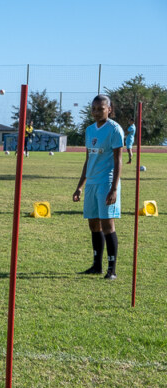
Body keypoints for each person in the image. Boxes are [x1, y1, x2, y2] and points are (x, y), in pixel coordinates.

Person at [72, 94, 124, 281]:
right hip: (92, 183)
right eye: (93, 109)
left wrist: (114, 188)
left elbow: (118, 161)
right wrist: (80, 187)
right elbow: (88, 160)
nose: (96, 112)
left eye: (100, 109)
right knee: (93, 224)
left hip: (106, 182)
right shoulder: (89, 130)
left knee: (107, 225)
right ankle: (97, 266)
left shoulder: (115, 129)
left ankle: (112, 270)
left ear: (109, 109)